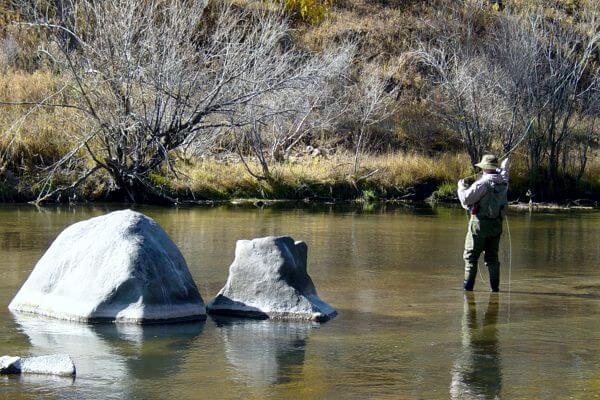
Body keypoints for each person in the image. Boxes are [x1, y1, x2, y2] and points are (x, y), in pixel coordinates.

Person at [457, 154, 509, 292]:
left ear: (484, 167)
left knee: (470, 258)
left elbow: (465, 200)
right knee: (492, 258)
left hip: (479, 226)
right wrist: (504, 164)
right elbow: (504, 172)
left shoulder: (482, 184)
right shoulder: (503, 182)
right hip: (496, 226)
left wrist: (460, 187)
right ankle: (495, 290)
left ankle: (467, 292)